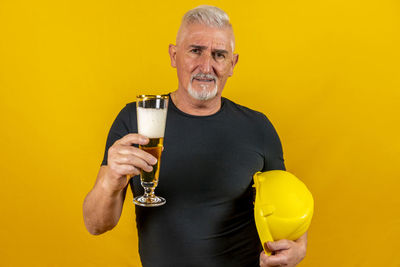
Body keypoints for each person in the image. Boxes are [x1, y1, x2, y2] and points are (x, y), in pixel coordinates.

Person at [83, 5, 308, 267]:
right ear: (173, 55)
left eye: (219, 55)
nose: (206, 65)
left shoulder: (258, 127)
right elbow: (96, 224)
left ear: (232, 64)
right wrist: (110, 181)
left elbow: (286, 206)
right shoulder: (135, 119)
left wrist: (299, 246)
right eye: (195, 51)